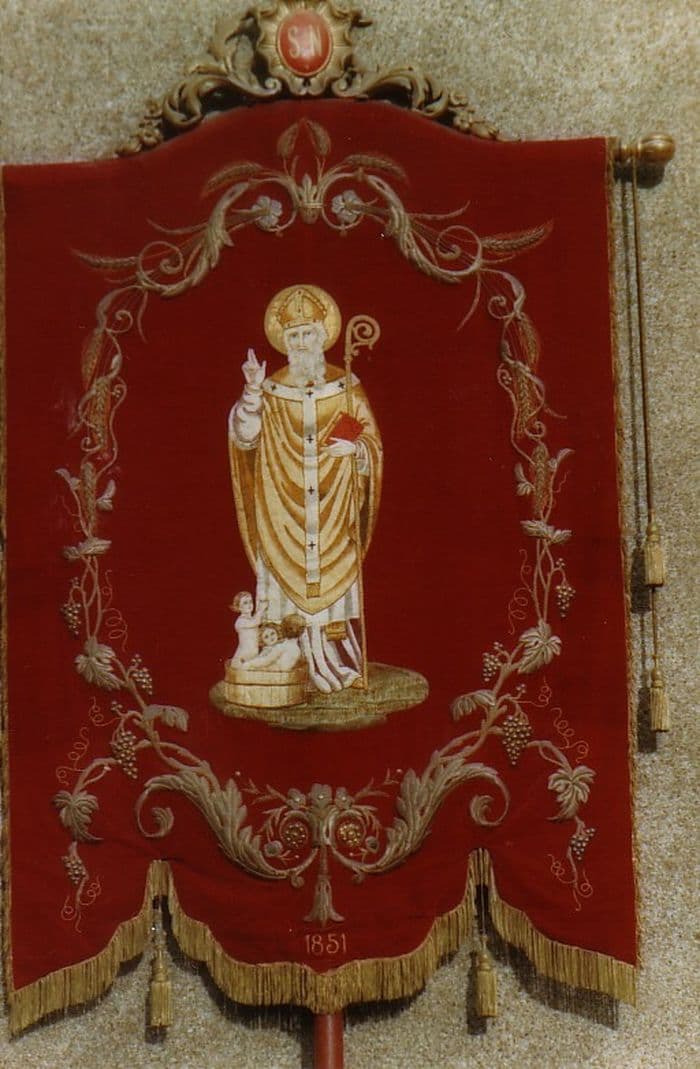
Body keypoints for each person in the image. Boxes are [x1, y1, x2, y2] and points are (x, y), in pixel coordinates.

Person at [228, 284, 382, 695]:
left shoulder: (346, 385)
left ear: (321, 336)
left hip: (334, 506)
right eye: (292, 335)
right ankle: (292, 661)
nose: (300, 342)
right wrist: (251, 390)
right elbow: (246, 437)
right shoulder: (271, 388)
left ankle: (337, 661)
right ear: (284, 341)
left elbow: (372, 442)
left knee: (333, 578)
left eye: (307, 333)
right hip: (283, 506)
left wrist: (357, 450)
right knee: (286, 581)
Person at [229, 591, 267, 667]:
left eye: (250, 601)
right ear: (239, 607)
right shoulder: (240, 621)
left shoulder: (252, 618)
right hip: (242, 658)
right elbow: (256, 622)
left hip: (252, 655)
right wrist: (261, 610)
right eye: (245, 603)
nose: (249, 604)